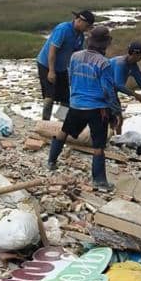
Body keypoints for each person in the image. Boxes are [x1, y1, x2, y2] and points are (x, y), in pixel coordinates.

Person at [47, 24, 118, 192]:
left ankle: (51, 161)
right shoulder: (104, 64)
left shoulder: (75, 57)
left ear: (90, 41)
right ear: (106, 43)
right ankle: (99, 181)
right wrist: (114, 112)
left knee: (64, 132)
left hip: (77, 104)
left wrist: (75, 98)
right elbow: (108, 91)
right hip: (97, 108)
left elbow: (71, 78)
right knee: (98, 146)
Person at [36, 9, 95, 120]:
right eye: (86, 26)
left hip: (62, 68)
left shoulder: (80, 36)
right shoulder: (63, 29)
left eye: (89, 27)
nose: (86, 29)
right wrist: (51, 71)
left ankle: (61, 122)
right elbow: (52, 51)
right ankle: (45, 121)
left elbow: (77, 56)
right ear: (79, 21)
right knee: (50, 96)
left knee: (66, 98)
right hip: (47, 64)